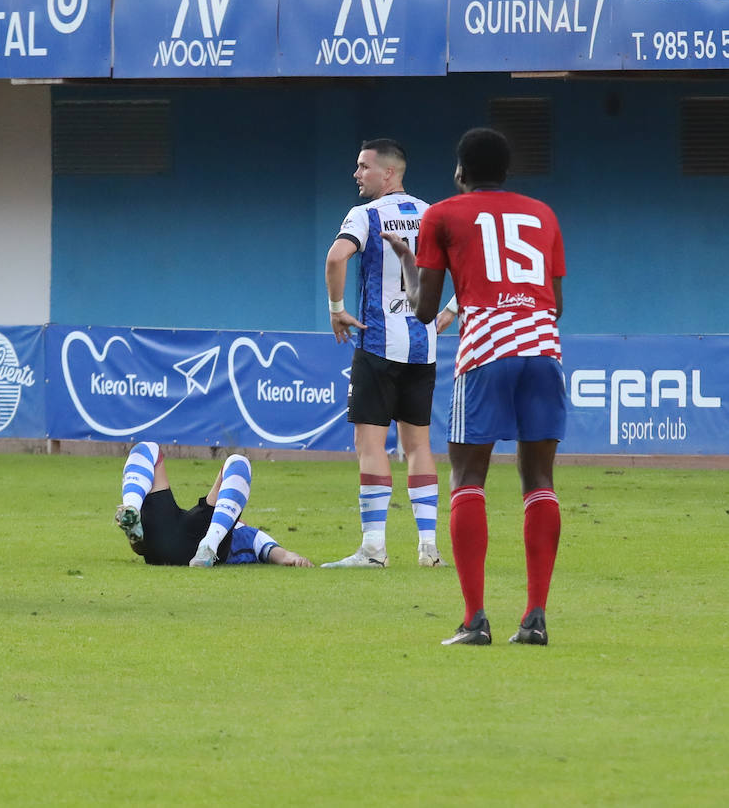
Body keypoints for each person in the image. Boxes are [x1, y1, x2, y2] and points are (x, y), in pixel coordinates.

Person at [385, 127, 566, 647]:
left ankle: (474, 620)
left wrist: (405, 259)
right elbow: (555, 303)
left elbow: (424, 311)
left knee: (468, 477)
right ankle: (534, 618)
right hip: (542, 347)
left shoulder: (441, 214)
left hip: (486, 349)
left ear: (460, 171)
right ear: (507, 172)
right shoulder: (544, 214)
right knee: (539, 481)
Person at [322, 139, 455, 570]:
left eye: (363, 167)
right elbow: (461, 270)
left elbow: (336, 256)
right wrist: (449, 311)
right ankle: (428, 547)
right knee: (418, 443)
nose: (357, 174)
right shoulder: (433, 214)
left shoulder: (365, 215)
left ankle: (374, 549)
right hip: (424, 345)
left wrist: (336, 309)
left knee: (370, 442)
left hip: (378, 344)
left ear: (389, 173)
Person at [113, 442, 313, 568]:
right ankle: (209, 544)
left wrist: (138, 542)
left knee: (147, 449)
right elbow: (268, 549)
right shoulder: (246, 533)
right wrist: (289, 556)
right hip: (196, 539)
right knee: (238, 462)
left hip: (159, 549)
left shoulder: (244, 532)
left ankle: (131, 506)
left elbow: (140, 549)